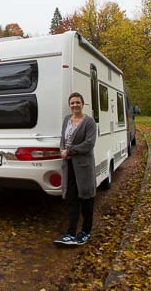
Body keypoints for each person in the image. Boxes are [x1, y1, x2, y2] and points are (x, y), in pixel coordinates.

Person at [53, 92, 97, 246]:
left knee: (86, 199)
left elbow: (89, 144)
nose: (75, 105)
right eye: (72, 103)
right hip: (69, 166)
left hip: (83, 167)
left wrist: (70, 151)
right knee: (71, 199)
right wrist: (61, 150)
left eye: (77, 102)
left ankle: (85, 232)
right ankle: (71, 232)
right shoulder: (67, 119)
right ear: (69, 105)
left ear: (82, 104)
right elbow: (63, 139)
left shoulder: (89, 122)